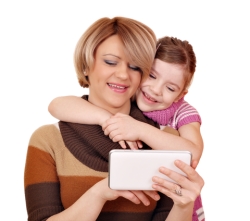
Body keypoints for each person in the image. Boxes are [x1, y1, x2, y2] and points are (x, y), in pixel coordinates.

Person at [24, 16, 204, 221]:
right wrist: (98, 194)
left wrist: (184, 204)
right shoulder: (48, 140)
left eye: (135, 67)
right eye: (110, 62)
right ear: (86, 64)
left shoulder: (165, 140)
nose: (123, 75)